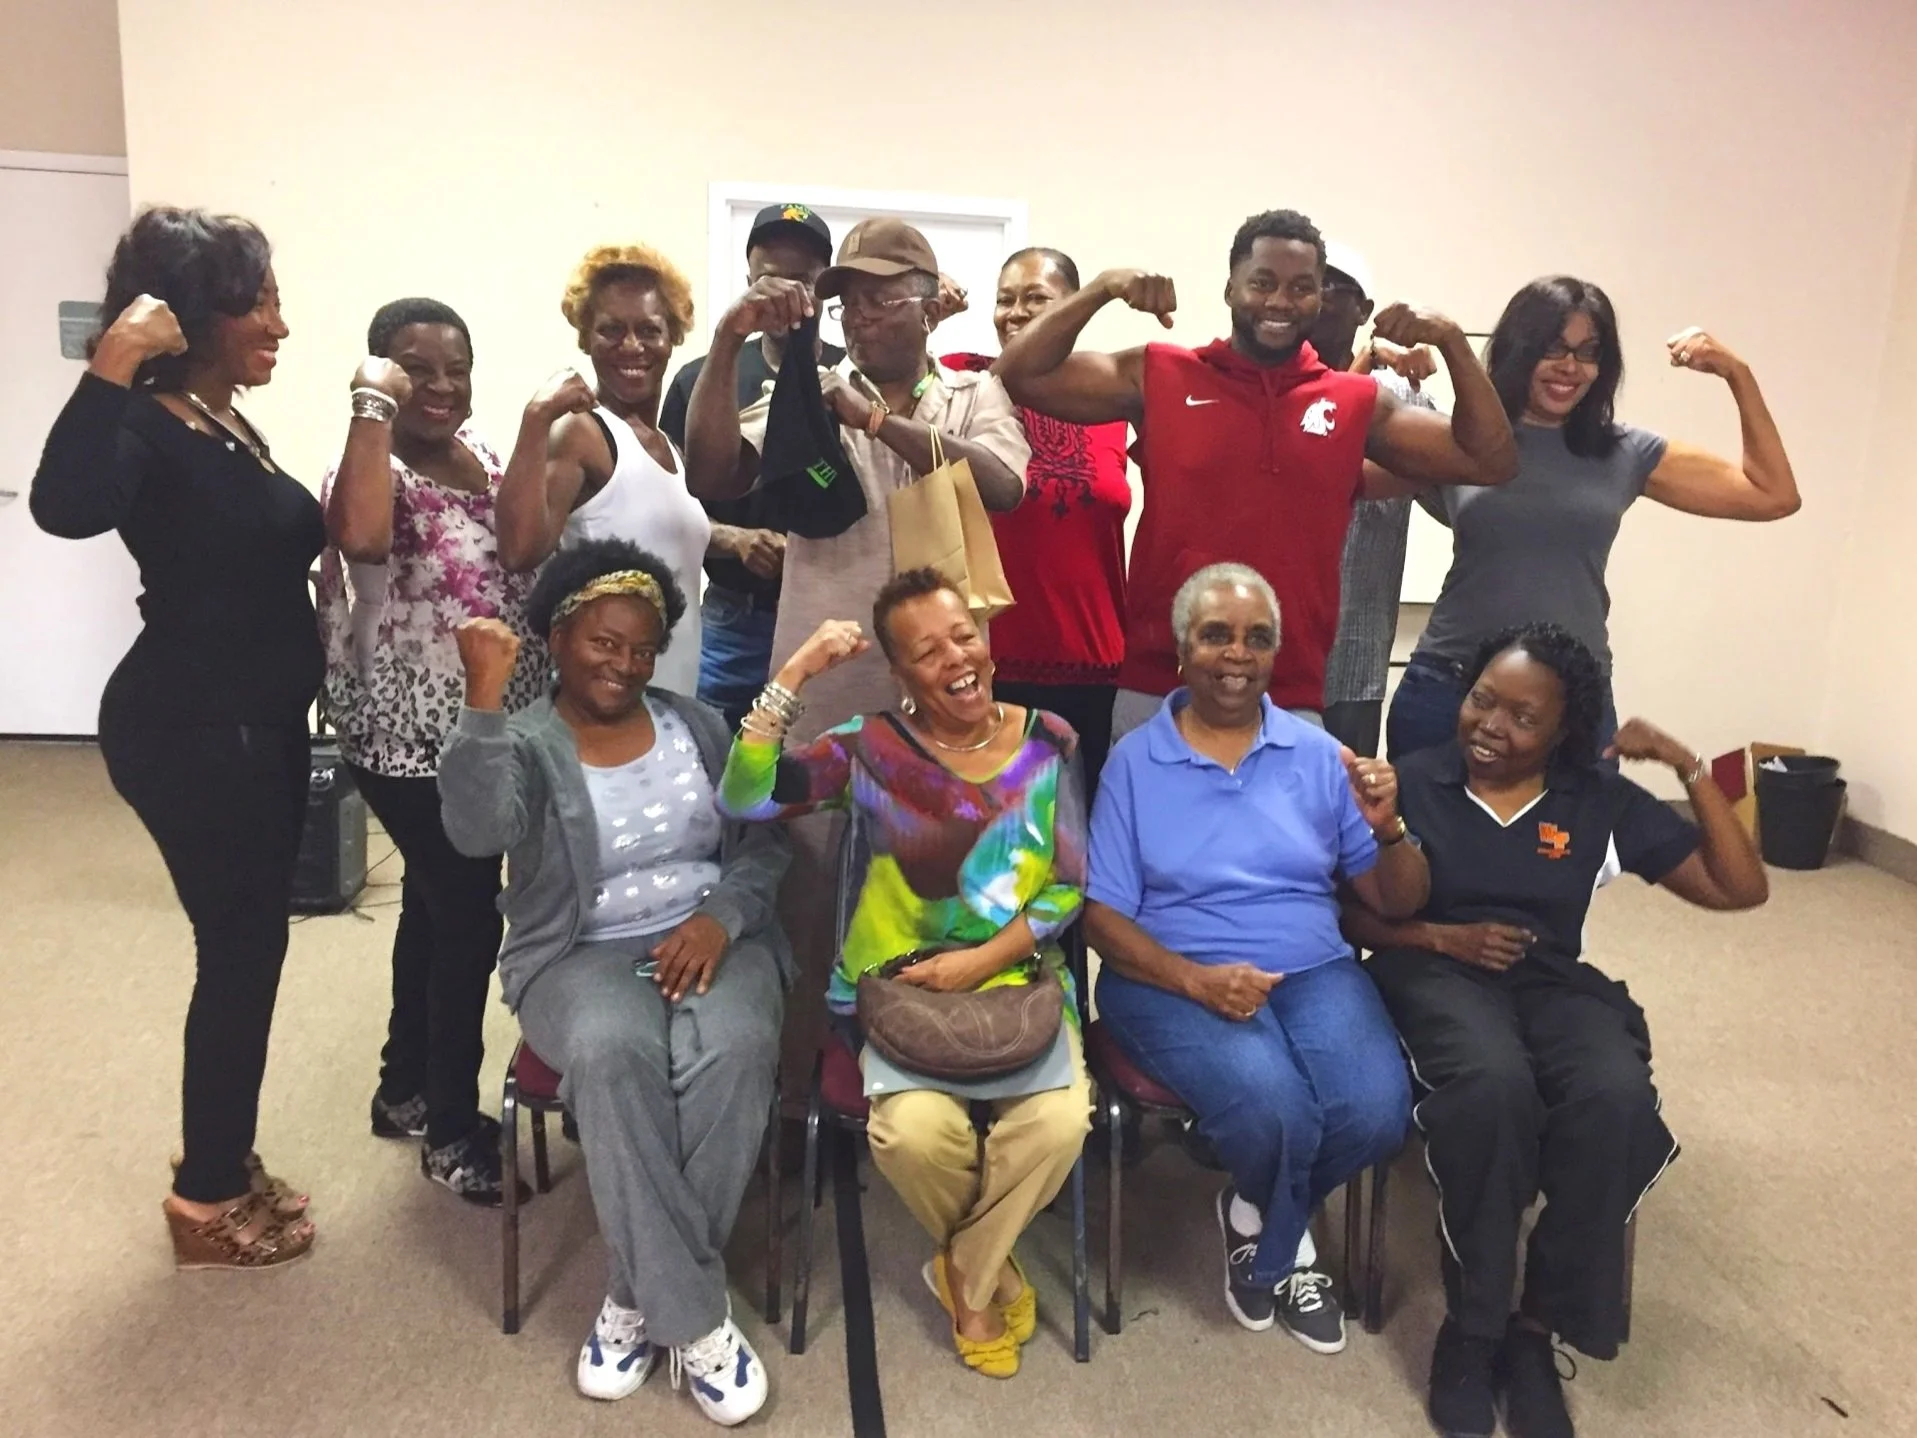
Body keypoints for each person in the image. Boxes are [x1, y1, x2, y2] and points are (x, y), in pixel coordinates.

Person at [1346, 623, 1767, 1438]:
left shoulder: (1594, 800)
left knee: (1613, 1097)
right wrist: (1439, 937)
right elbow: (1347, 913)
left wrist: (1687, 767)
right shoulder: (1411, 784)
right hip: (1430, 971)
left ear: (1564, 732)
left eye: (1521, 717)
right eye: (1480, 701)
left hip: (1545, 979)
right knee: (1493, 1088)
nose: (1490, 727)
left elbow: (1736, 887)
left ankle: (1532, 1331)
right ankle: (1471, 1332)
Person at [438, 539, 790, 1426]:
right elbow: (477, 836)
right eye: (603, 642)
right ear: (558, 639)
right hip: (576, 955)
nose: (624, 664)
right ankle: (696, 1319)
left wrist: (721, 920)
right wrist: (482, 699)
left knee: (738, 1045)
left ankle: (634, 1299)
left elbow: (762, 844)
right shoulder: (523, 743)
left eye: (641, 647)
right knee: (612, 1050)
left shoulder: (702, 726)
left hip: (713, 935)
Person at [30, 207, 319, 1270]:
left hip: (256, 721)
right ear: (195, 314)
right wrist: (111, 357)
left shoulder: (221, 414)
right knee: (240, 950)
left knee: (254, 945)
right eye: (262, 300)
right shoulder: (145, 417)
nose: (281, 322)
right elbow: (63, 507)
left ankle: (223, 1153)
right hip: (194, 726)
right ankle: (205, 1198)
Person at [684, 218, 1033, 1092]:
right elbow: (712, 471)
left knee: (924, 896)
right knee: (805, 901)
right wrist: (730, 344)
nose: (863, 317)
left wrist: (877, 423)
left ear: (926, 303)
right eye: (849, 301)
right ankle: (800, 1091)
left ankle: (912, 1076)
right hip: (825, 694)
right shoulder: (808, 391)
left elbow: (1003, 485)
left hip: (939, 706)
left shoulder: (970, 395)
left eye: (883, 298)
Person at [717, 569, 1091, 1379]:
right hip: (892, 990)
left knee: (1059, 1125)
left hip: (1015, 980)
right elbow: (744, 798)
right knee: (914, 1134)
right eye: (927, 652)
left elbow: (1066, 884)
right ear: (899, 674)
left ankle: (963, 1273)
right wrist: (792, 677)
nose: (956, 658)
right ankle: (984, 1274)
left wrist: (982, 961)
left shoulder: (1047, 739)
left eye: (963, 636)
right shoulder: (867, 749)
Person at [997, 207, 1518, 737]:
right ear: (1230, 289)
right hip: (1158, 690)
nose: (1280, 303)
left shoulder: (1356, 401)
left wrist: (1453, 339)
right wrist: (1103, 288)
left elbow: (1489, 460)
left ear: (1318, 298)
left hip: (1289, 697)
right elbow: (1018, 377)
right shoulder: (1162, 374)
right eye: (1262, 283)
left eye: (1300, 288)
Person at [1085, 564, 1423, 1350]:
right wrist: (1193, 981)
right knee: (1275, 1108)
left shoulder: (1317, 754)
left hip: (1310, 967)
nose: (1235, 654)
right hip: (1164, 974)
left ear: (1275, 655)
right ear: (1179, 652)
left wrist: (1388, 828)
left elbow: (1396, 899)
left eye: (1255, 638)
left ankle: (1255, 1210)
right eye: (1214, 635)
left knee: (1375, 1112)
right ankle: (1284, 1253)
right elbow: (1100, 914)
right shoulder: (1135, 761)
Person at [317, 296, 545, 1204]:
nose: (441, 387)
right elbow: (363, 537)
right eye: (417, 369)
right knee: (464, 910)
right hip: (405, 731)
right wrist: (370, 404)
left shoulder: (482, 453)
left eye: (457, 367)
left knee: (431, 896)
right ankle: (452, 1127)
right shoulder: (370, 463)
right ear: (383, 371)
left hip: (482, 721)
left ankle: (403, 1085)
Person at [1386, 277, 1801, 763]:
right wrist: (1377, 356)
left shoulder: (1626, 452)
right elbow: (1337, 447)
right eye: (1553, 349)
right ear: (1519, 351)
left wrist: (1738, 374)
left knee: (1570, 841)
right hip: (1451, 685)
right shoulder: (1461, 440)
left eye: (1588, 353)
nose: (1570, 367)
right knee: (1422, 840)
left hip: (1570, 700)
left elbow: (1773, 495)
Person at [942, 246, 1132, 796]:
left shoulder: (1108, 402)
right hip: (986, 664)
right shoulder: (964, 381)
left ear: (1071, 308)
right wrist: (927, 312)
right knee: (992, 846)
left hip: (1097, 666)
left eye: (1036, 299)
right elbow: (896, 383)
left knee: (1083, 842)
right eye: (1005, 300)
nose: (1016, 313)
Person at [497, 243, 711, 695]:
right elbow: (519, 550)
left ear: (672, 336)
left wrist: (740, 541)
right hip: (602, 704)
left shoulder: (667, 447)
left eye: (649, 330)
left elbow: (647, 532)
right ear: (586, 339)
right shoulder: (582, 433)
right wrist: (536, 418)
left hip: (673, 696)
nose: (631, 346)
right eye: (611, 330)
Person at [659, 204, 842, 730]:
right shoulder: (704, 379)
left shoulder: (852, 374)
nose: (784, 295)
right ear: (747, 281)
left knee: (818, 772)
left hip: (831, 614)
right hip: (735, 620)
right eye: (769, 279)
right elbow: (671, 506)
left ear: (824, 287)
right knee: (714, 762)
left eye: (802, 280)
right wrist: (735, 540)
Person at [1312, 241, 1440, 759]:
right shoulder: (1262, 385)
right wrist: (1366, 361)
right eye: (1305, 285)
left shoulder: (1404, 398)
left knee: (1345, 821)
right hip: (1257, 662)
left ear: (1364, 309)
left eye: (1331, 286)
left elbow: (1456, 505)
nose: (1314, 297)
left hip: (1353, 661)